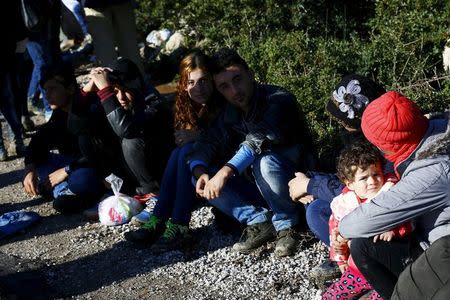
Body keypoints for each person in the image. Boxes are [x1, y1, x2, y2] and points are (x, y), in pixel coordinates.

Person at [188, 48, 315, 257]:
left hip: (296, 183)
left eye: (237, 79)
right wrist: (200, 171)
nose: (234, 91)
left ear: (250, 74)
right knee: (202, 177)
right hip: (257, 186)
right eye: (225, 86)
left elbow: (256, 140)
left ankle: (288, 224)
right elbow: (206, 142)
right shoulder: (230, 112)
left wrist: (224, 172)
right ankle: (259, 221)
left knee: (264, 161)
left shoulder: (278, 99)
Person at [338, 91, 450, 299]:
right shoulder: (441, 126)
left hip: (441, 251)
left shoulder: (432, 173)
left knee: (363, 246)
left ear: (388, 146)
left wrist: (342, 230)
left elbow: (354, 225)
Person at [287, 75, 386, 281]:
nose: (338, 123)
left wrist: (310, 184)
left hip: (373, 210)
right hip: (359, 199)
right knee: (313, 199)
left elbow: (358, 188)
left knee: (316, 211)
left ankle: (359, 264)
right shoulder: (356, 135)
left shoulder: (374, 146)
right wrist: (310, 182)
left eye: (342, 119)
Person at [124, 50, 223, 248]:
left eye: (203, 81)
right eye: (191, 82)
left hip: (226, 166)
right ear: (184, 84)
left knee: (185, 151)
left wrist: (198, 136)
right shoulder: (187, 105)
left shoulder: (223, 101)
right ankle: (159, 220)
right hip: (198, 166)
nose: (198, 88)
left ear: (212, 79)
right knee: (179, 152)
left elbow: (229, 138)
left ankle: (179, 225)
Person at [322, 141, 411, 299]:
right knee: (331, 297)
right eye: (364, 178)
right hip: (356, 270)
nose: (372, 181)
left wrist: (394, 230)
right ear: (350, 184)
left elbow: (409, 219)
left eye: (376, 174)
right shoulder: (344, 204)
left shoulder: (391, 192)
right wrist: (341, 260)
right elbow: (335, 235)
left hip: (385, 270)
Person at [82, 57, 173, 195]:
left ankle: (153, 194)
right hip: (129, 176)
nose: (121, 97)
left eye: (126, 90)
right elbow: (75, 125)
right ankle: (119, 189)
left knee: (131, 141)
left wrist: (106, 92)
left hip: (162, 174)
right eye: (116, 91)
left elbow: (126, 129)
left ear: (137, 87)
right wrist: (86, 91)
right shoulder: (117, 100)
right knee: (88, 134)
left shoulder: (153, 102)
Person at [23, 63, 104, 213]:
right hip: (71, 163)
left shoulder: (91, 107)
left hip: (93, 164)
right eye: (45, 90)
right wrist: (30, 168)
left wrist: (66, 170)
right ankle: (65, 192)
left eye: (52, 89)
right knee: (40, 163)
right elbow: (38, 141)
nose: (47, 96)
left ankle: (65, 192)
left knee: (81, 180)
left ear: (70, 89)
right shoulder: (60, 113)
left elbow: (98, 152)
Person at [83, 0, 144, 73]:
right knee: (130, 48)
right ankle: (137, 81)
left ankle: (114, 81)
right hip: (118, 4)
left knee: (106, 54)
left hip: (95, 6)